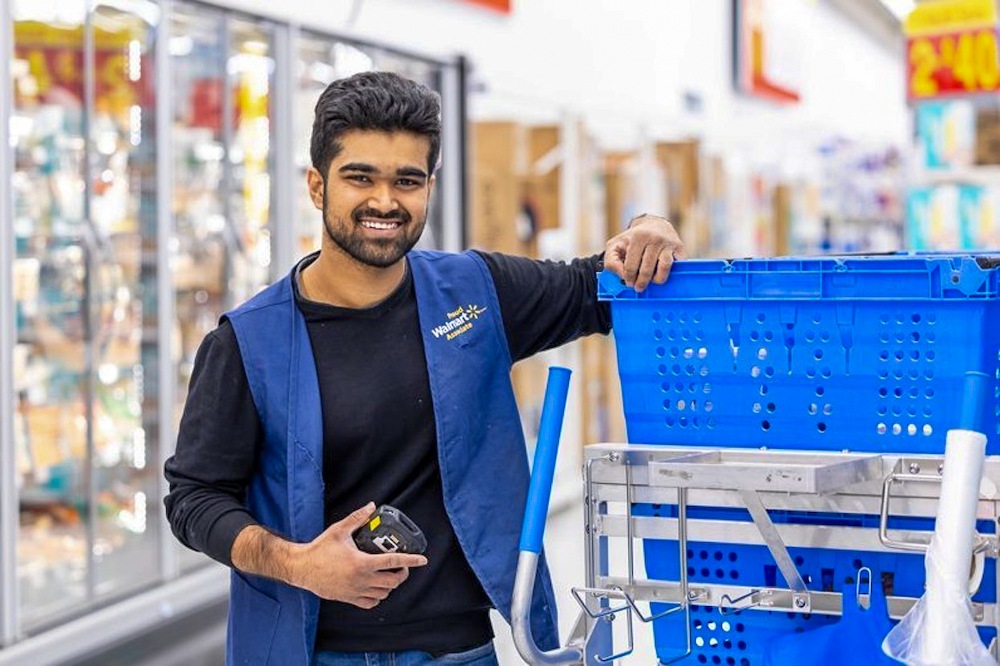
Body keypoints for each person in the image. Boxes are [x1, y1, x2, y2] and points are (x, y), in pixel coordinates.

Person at [164, 71, 684, 666]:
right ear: (316, 186)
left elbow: (601, 284)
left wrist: (651, 227)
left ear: (429, 187)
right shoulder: (249, 342)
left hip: (461, 651)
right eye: (360, 176)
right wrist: (300, 564)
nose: (385, 201)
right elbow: (195, 498)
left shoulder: (475, 292)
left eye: (406, 181)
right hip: (317, 653)